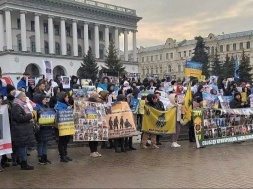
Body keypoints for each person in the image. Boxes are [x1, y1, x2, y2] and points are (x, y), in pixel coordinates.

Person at [11, 91, 35, 170]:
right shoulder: (17, 106)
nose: (26, 98)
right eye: (24, 96)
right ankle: (23, 163)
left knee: (24, 146)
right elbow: (19, 118)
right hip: (20, 130)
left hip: (23, 130)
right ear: (20, 98)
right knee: (22, 147)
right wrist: (30, 115)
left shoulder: (22, 105)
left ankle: (24, 162)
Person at [33, 93, 53, 165]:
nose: (45, 100)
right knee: (41, 143)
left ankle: (45, 157)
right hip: (40, 128)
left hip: (47, 127)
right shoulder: (36, 107)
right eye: (44, 99)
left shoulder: (46, 106)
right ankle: (40, 158)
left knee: (45, 143)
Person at [55, 92, 73, 163]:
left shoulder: (66, 104)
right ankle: (62, 156)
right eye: (66, 97)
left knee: (66, 141)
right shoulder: (58, 105)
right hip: (61, 126)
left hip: (67, 125)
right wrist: (68, 109)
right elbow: (60, 113)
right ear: (63, 98)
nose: (68, 98)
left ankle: (65, 154)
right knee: (61, 141)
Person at [2, 84, 16, 167]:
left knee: (14, 142)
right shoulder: (6, 101)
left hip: (13, 123)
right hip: (7, 124)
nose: (14, 92)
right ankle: (4, 159)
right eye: (12, 90)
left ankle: (14, 158)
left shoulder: (15, 99)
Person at [87, 92, 103, 157]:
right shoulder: (89, 103)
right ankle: (92, 151)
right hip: (90, 123)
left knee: (96, 137)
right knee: (91, 138)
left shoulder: (98, 103)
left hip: (96, 122)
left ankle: (95, 151)